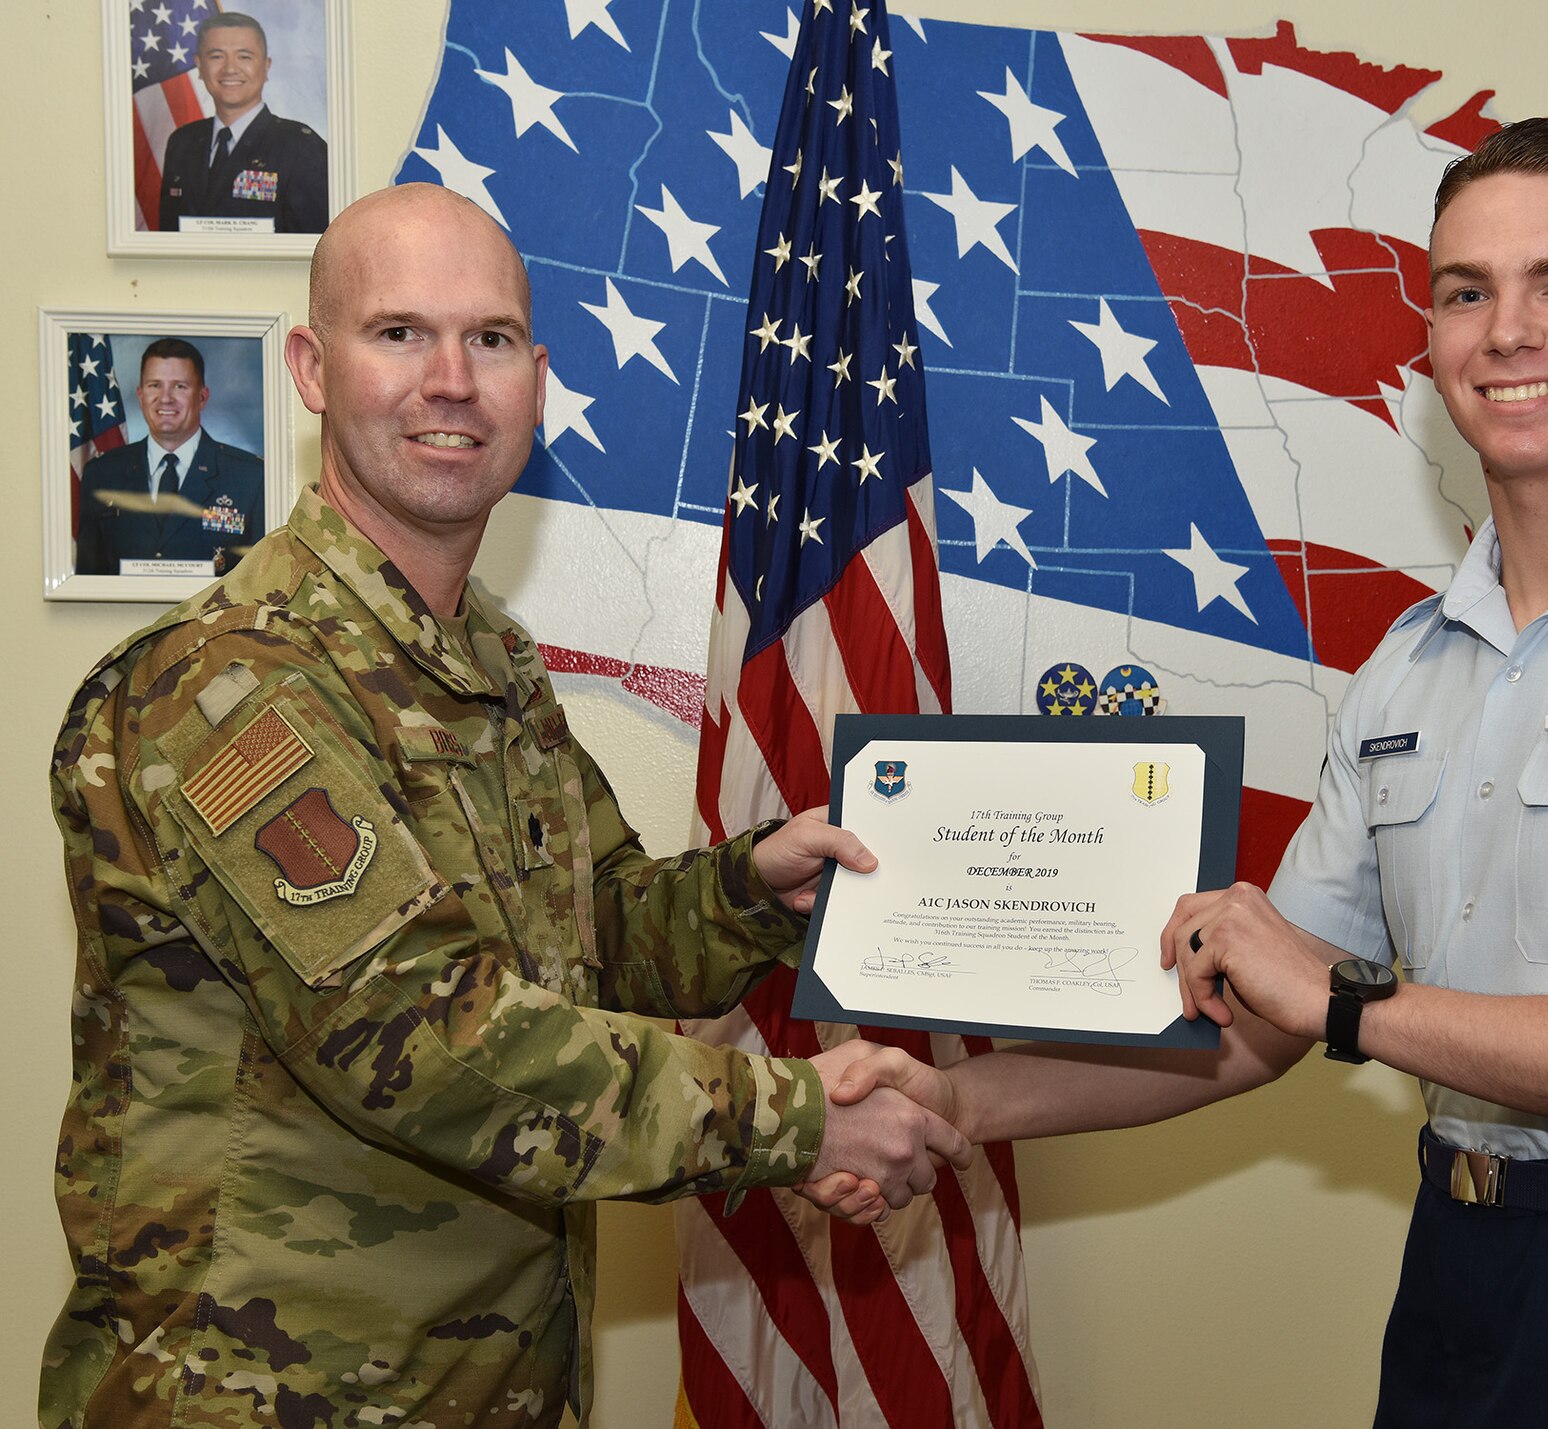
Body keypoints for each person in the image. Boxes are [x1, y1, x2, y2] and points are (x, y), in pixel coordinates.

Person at [814, 119, 1548, 1427]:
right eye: (1468, 291)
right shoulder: (1409, 666)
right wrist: (955, 1099)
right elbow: (1260, 1019)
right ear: (1434, 340)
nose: (1510, 329)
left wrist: (1350, 1001)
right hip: (1461, 1276)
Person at [42, 183, 966, 1429]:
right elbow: (423, 1040)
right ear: (314, 370)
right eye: (399, 333)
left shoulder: (489, 662)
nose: (449, 381)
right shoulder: (225, 685)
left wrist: (756, 888)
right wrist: (799, 1121)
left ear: (536, 378)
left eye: (487, 341)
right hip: (263, 1397)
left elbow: (598, 936)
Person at [76, 337, 264, 576]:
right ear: (140, 394)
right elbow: (88, 581)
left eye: (180, 386)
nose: (165, 398)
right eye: (155, 385)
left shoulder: (249, 478)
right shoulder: (102, 474)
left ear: (202, 397)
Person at [156, 10, 329, 235]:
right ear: (199, 65)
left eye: (244, 56)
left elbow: (315, 245)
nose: (230, 69)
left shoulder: (301, 147)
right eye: (216, 56)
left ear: (266, 66)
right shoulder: (182, 142)